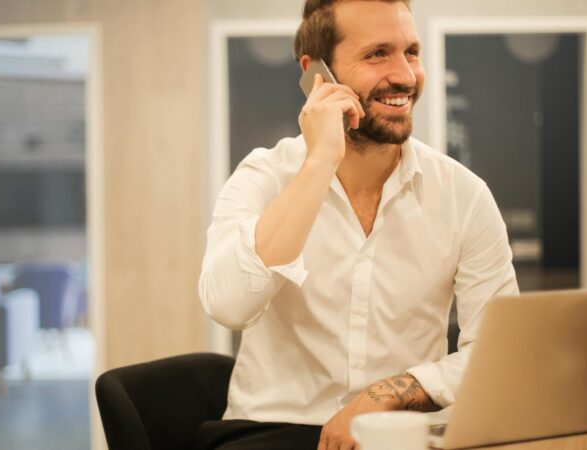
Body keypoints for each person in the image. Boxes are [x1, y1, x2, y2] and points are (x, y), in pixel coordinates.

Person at [198, 0, 519, 449]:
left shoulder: (464, 196)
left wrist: (388, 394)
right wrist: (320, 163)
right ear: (317, 74)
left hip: (400, 432)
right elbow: (229, 306)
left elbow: (496, 356)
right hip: (270, 432)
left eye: (411, 51)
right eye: (377, 54)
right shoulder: (264, 177)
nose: (405, 76)